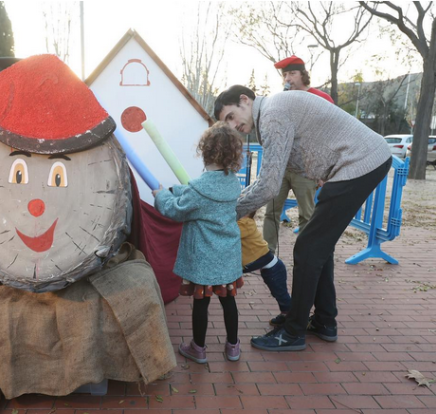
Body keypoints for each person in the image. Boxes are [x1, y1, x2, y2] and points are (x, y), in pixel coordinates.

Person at [214, 85, 392, 351]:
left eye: (230, 116)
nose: (232, 126)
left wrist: (229, 212)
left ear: (245, 100)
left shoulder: (272, 114)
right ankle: (324, 322)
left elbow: (269, 186)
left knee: (307, 248)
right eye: (225, 123)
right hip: (360, 162)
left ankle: (293, 332)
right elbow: (267, 180)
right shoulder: (274, 112)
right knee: (317, 247)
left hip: (360, 162)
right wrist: (235, 205)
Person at [153, 122, 244, 363]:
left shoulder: (199, 188)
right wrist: (178, 188)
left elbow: (176, 210)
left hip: (204, 256)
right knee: (228, 300)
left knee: (201, 303)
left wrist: (162, 194)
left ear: (204, 151)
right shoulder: (232, 182)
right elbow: (200, 194)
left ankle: (199, 348)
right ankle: (233, 346)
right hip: (227, 255)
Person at [263, 55, 334, 254]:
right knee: (271, 212)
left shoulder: (321, 98)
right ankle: (267, 254)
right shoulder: (281, 100)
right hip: (282, 167)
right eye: (285, 74)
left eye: (292, 73)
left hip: (307, 169)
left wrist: (325, 172)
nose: (288, 78)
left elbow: (330, 137)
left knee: (307, 215)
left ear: (303, 74)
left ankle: (305, 254)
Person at [238, 211, 291, 326]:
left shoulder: (244, 224)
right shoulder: (244, 221)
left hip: (274, 269)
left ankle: (291, 318)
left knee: (281, 294)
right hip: (269, 268)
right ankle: (285, 314)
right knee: (278, 293)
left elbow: (227, 233)